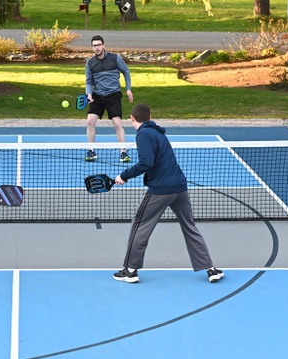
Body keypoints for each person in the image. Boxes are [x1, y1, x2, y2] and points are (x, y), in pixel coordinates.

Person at [111, 104, 222, 284]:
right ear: (149, 116)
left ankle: (130, 270)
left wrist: (124, 176)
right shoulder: (158, 133)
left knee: (140, 225)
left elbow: (146, 162)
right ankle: (211, 269)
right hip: (180, 187)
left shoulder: (143, 134)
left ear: (132, 118)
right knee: (190, 226)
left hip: (161, 190)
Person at [84, 35, 133, 163]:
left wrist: (128, 89)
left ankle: (123, 152)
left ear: (104, 45)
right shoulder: (90, 63)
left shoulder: (115, 58)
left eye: (99, 45)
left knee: (117, 124)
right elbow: (88, 81)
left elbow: (126, 72)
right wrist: (89, 93)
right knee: (90, 121)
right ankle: (91, 150)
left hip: (113, 95)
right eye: (94, 45)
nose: (97, 47)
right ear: (92, 47)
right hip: (98, 96)